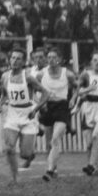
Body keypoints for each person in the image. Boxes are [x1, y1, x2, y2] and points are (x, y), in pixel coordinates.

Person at [0, 48, 49, 184]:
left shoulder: (29, 78)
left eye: (18, 58)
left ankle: (30, 154)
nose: (14, 61)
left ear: (23, 62)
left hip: (28, 115)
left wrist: (36, 109)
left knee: (25, 154)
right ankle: (15, 177)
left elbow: (45, 93)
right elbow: (4, 94)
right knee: (9, 148)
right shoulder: (5, 76)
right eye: (12, 58)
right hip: (12, 114)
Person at [36, 47, 78, 181]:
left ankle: (48, 171)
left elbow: (78, 86)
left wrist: (72, 99)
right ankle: (53, 168)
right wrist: (39, 102)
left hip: (62, 107)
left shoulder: (68, 74)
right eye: (49, 57)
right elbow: (34, 89)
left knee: (55, 138)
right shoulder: (41, 74)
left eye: (54, 57)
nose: (51, 60)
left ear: (59, 60)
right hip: (48, 107)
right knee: (50, 142)